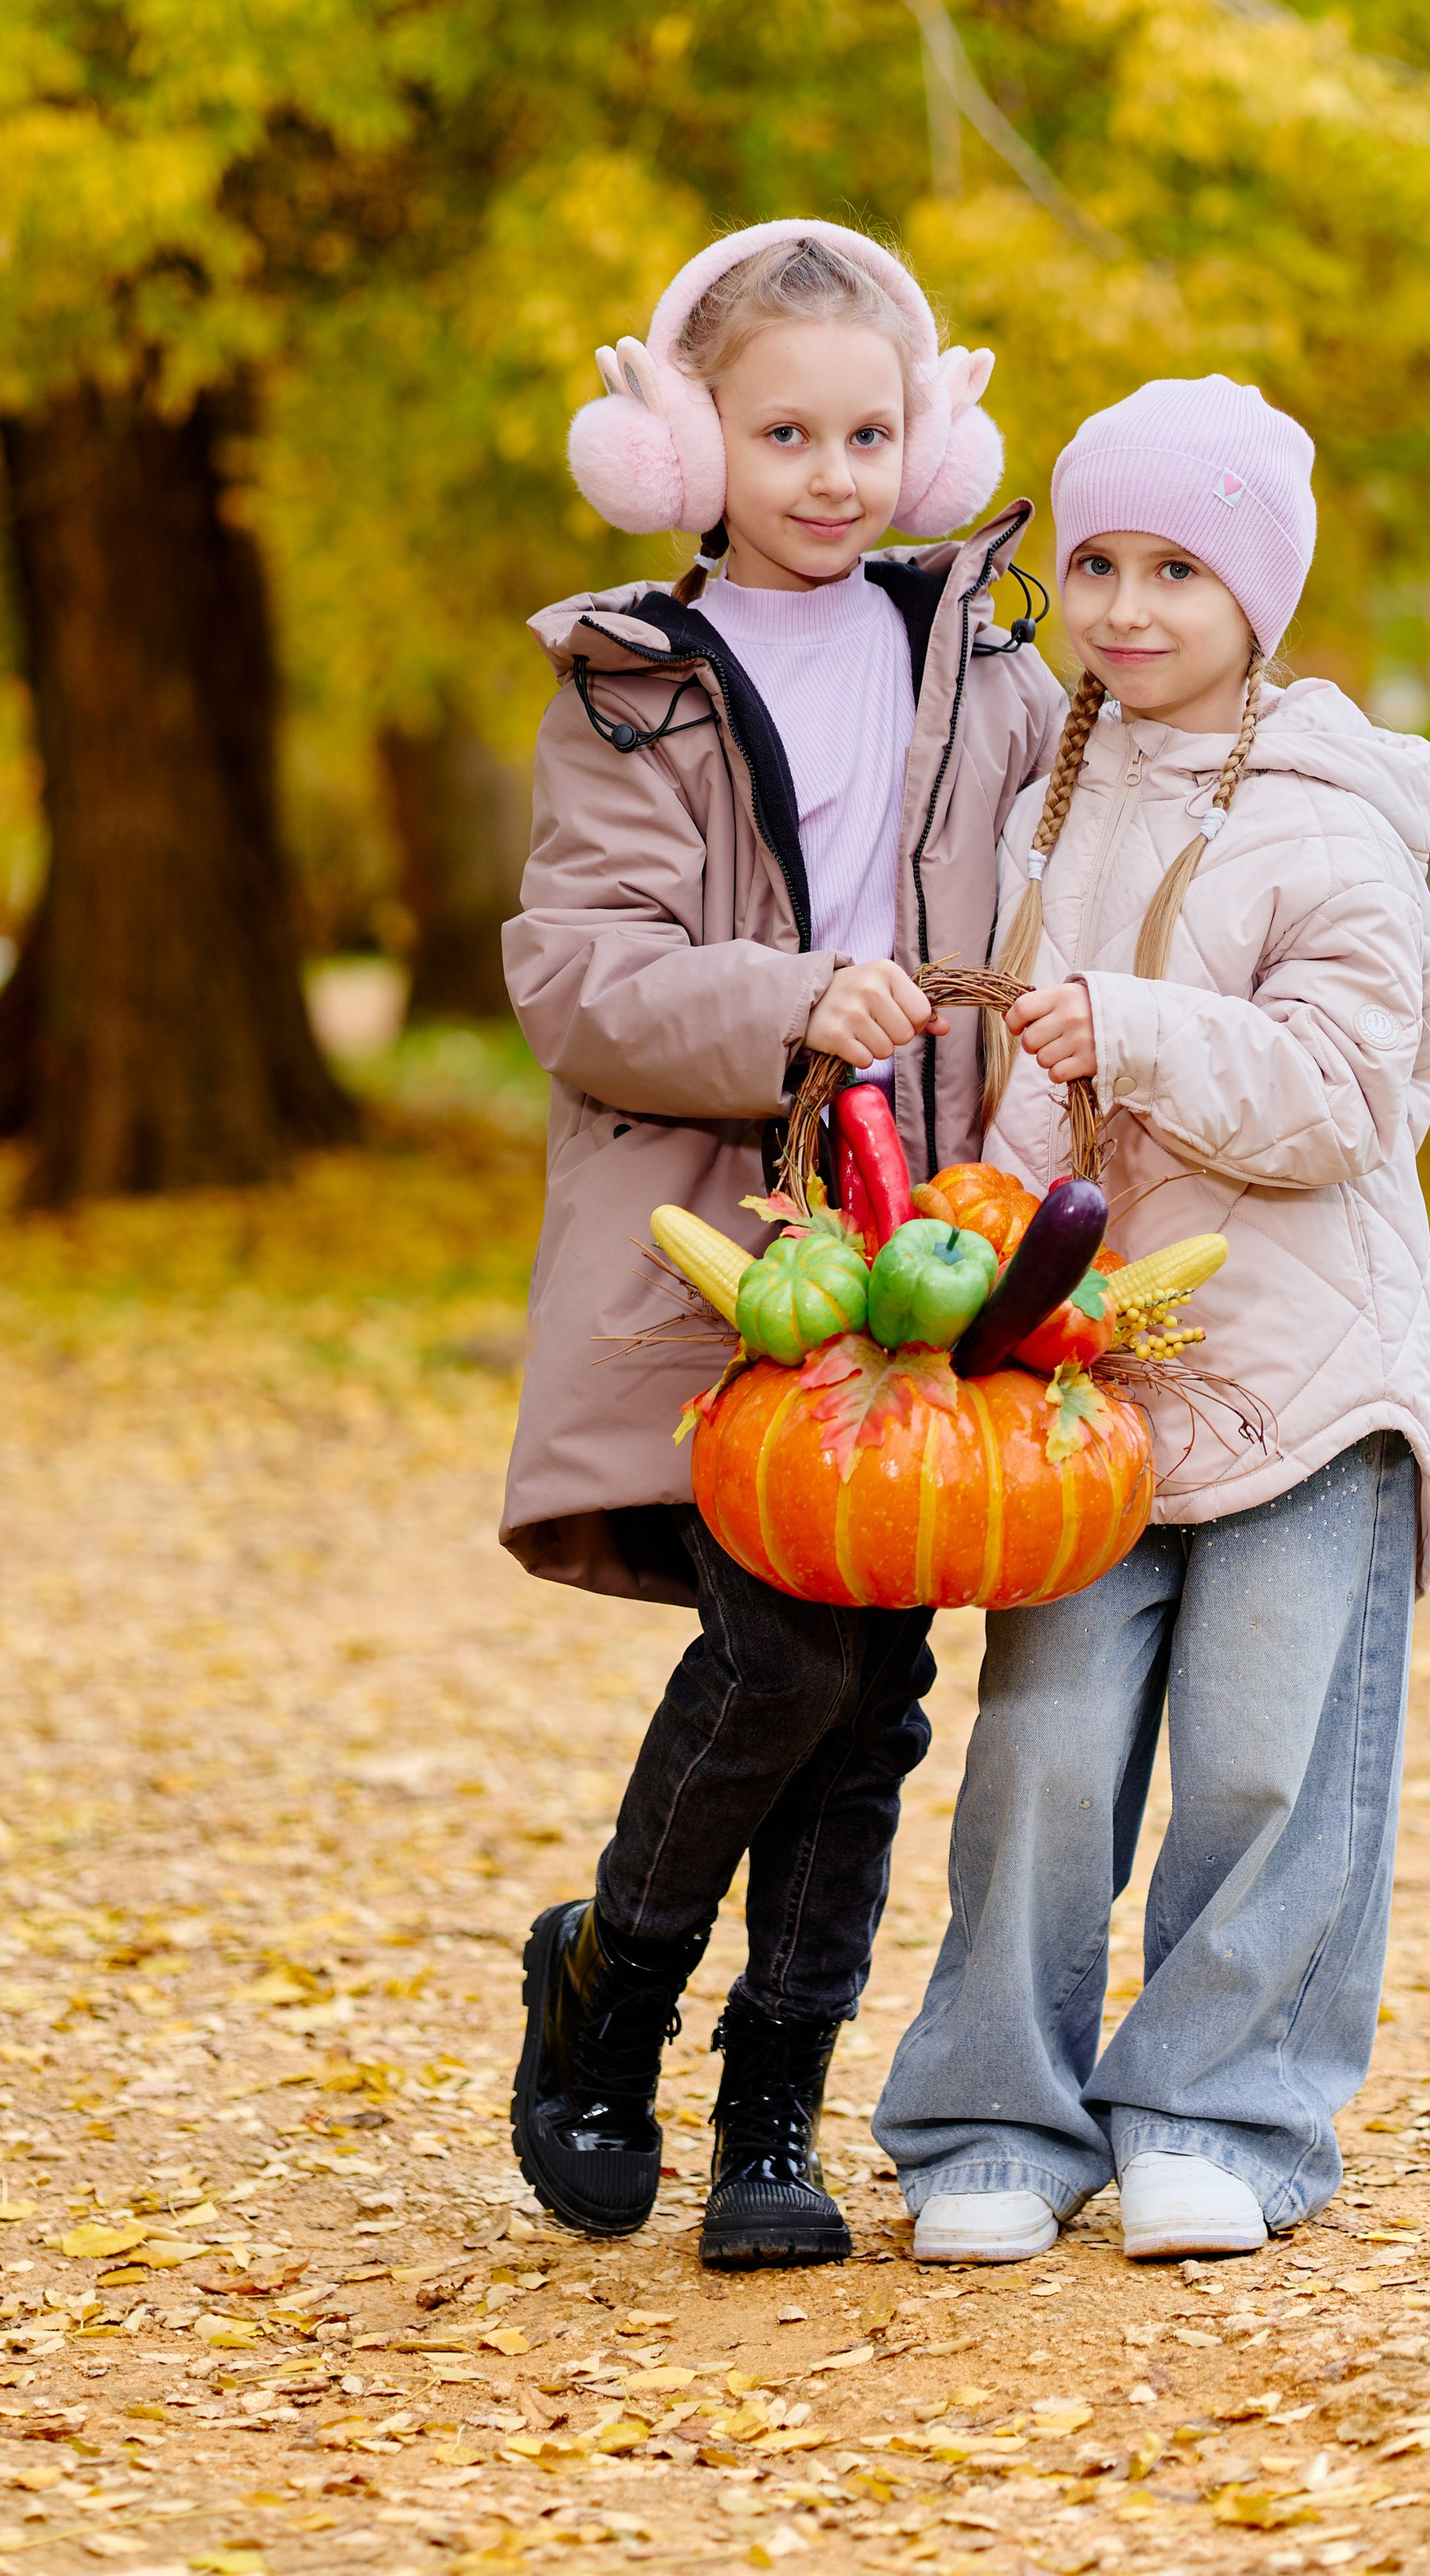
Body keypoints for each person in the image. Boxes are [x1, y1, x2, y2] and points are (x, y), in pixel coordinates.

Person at [500, 222, 1062, 2272]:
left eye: (868, 435)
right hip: (736, 1239)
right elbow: (579, 974)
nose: (832, 475)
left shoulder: (985, 670)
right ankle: (610, 1989)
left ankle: (772, 2114)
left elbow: (1079, 872)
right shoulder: (628, 691)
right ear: (684, 447)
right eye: (783, 434)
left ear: (928, 444)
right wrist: (795, 999)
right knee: (781, 1653)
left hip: (934, 1243)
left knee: (877, 1686)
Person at [873, 373, 1430, 2265]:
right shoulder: (1044, 801)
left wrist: (1128, 1031)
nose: (1126, 607)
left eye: (1178, 569)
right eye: (1097, 563)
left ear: (1256, 594)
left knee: (1269, 1756)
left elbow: (1345, 1094)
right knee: (1041, 1748)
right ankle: (990, 2117)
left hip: (1294, 1375)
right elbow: (1008, 1101)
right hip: (1082, 1378)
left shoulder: (1327, 820)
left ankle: (1225, 2108)